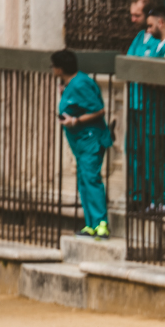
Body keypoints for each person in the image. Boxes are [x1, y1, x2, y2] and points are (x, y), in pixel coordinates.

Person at [50, 51, 111, 239]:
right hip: (81, 143)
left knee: (91, 178)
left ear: (60, 68)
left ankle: (101, 223)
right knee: (84, 180)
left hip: (90, 140)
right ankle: (90, 223)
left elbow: (99, 110)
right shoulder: (71, 84)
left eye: (53, 66)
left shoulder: (81, 83)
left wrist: (75, 121)